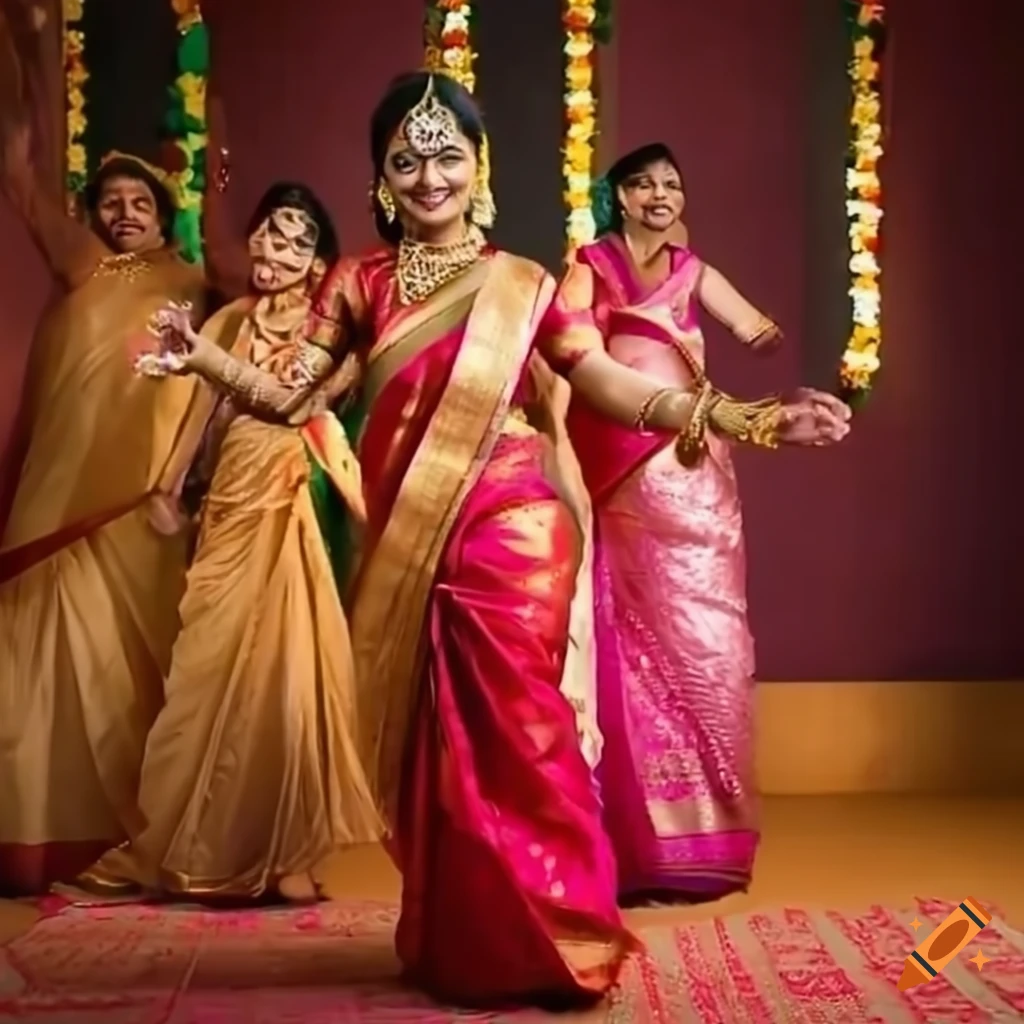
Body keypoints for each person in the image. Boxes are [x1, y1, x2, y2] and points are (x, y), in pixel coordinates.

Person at [145, 73, 848, 1008]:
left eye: (445, 155)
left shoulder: (524, 283)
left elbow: (601, 378)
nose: (427, 175)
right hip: (410, 537)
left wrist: (744, 418)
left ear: (477, 166)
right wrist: (206, 357)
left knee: (520, 726)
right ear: (381, 179)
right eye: (405, 158)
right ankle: (465, 939)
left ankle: (562, 936)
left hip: (516, 527)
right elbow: (293, 395)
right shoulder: (360, 279)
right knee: (440, 744)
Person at [79, 182, 382, 904]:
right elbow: (202, 404)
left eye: (294, 242)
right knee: (207, 670)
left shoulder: (331, 332)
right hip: (231, 500)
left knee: (291, 676)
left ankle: (290, 851)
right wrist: (171, 484)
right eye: (267, 235)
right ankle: (197, 842)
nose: (274, 251)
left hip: (297, 496)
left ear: (319, 264)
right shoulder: (231, 321)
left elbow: (301, 401)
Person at [0, 0, 238, 894]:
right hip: (63, 504)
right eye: (112, 202)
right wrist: (26, 48)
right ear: (93, 214)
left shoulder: (197, 279)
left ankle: (146, 836)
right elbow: (17, 165)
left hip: (149, 505)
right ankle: (35, 838)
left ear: (164, 210)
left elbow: (239, 261)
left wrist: (216, 136)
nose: (127, 212)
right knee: (42, 670)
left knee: (139, 673)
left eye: (143, 201)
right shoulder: (80, 265)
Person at [564, 141, 827, 903]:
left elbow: (758, 331)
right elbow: (570, 355)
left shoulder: (695, 272)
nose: (659, 196)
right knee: (626, 631)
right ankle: (634, 837)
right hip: (620, 466)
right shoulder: (589, 268)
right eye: (642, 184)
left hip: (696, 469)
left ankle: (703, 837)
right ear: (616, 195)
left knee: (705, 637)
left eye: (672, 185)